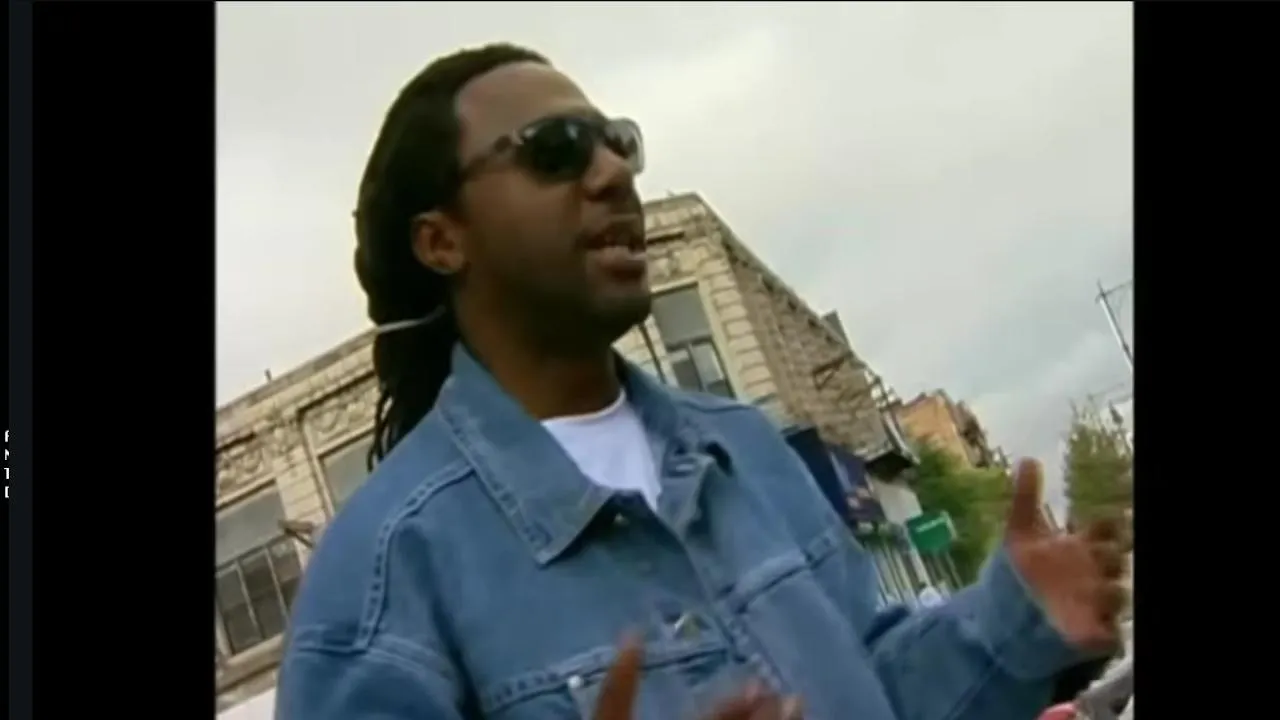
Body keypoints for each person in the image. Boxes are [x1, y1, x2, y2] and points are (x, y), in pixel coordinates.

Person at [276, 43, 1129, 720]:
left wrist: (1013, 623)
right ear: (441, 241)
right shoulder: (382, 572)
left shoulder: (744, 448)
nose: (613, 172)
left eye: (618, 142)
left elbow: (876, 688)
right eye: (556, 150)